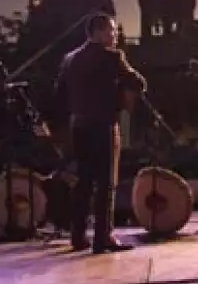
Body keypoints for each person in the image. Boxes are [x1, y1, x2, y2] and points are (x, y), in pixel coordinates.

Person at [54, 13, 146, 254]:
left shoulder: (70, 59)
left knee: (83, 183)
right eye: (112, 31)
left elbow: (58, 95)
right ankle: (102, 237)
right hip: (104, 126)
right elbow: (138, 83)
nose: (115, 36)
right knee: (106, 184)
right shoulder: (112, 57)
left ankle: (77, 236)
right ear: (98, 32)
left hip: (78, 127)